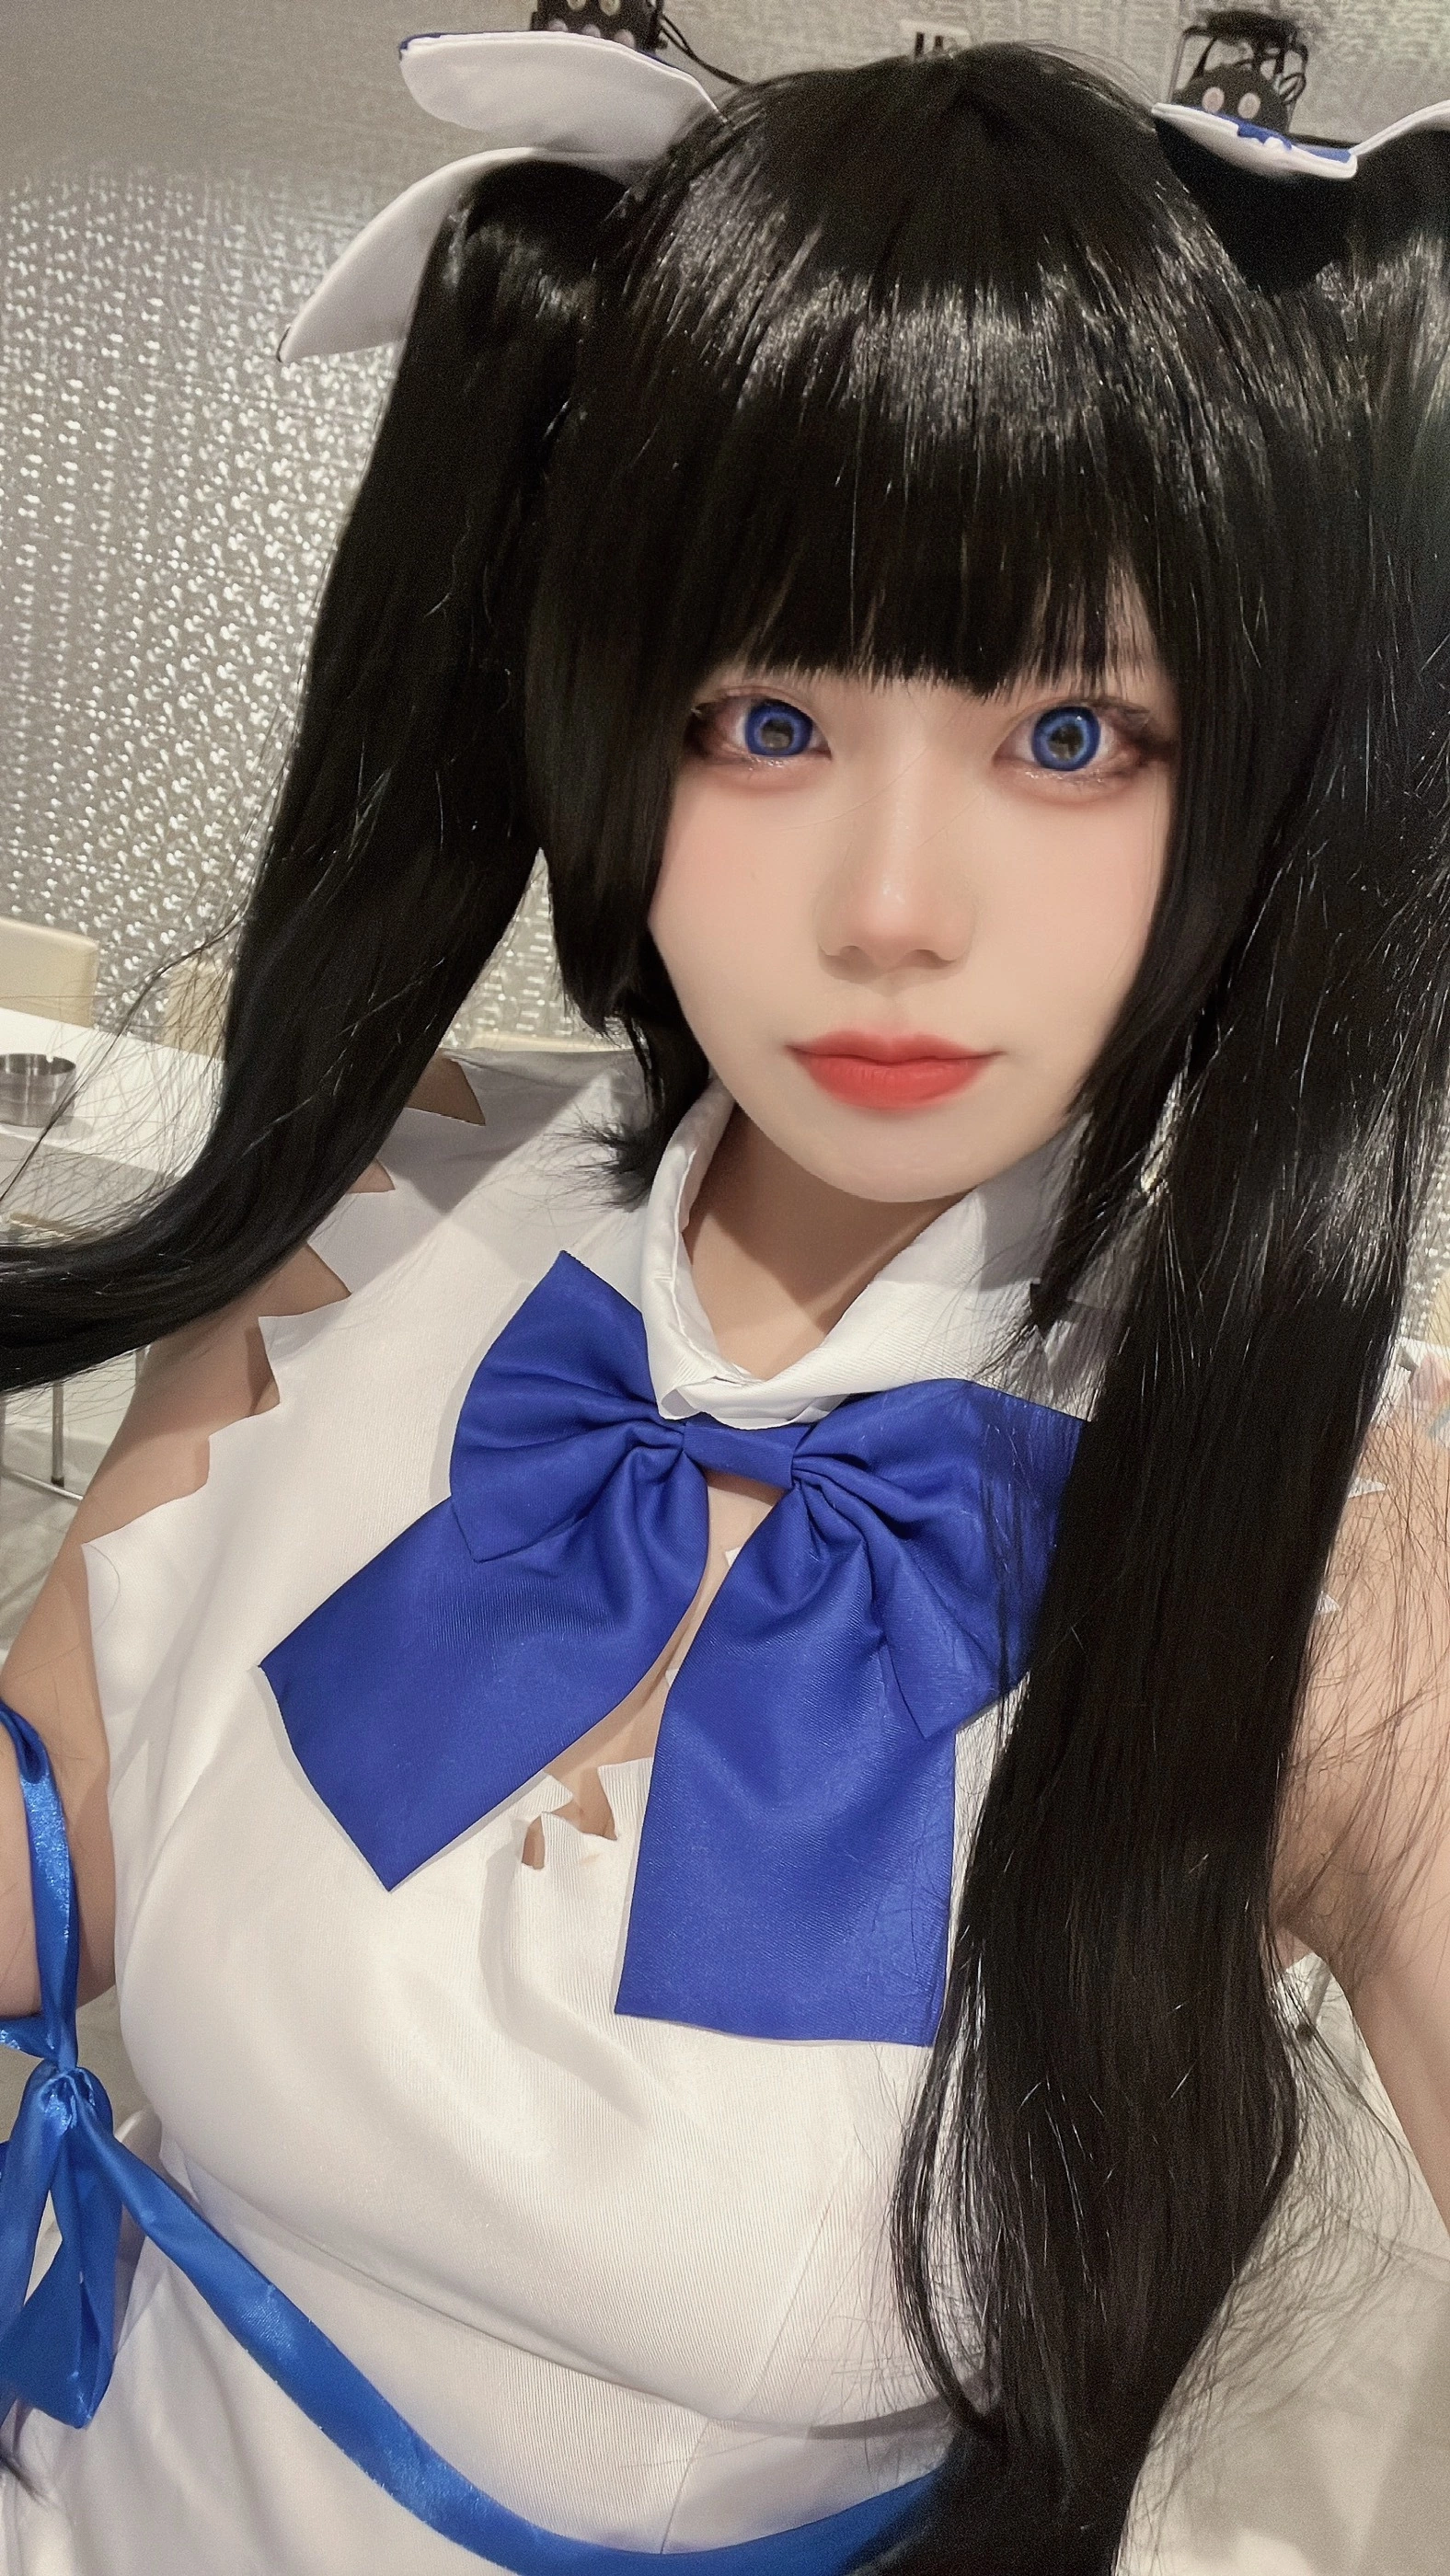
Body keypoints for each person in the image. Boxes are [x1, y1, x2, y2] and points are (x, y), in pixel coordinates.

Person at [0, 29, 1447, 2576]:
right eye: (769, 718)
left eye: (1072, 733)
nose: (890, 908)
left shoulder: (1334, 1550)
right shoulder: (393, 1212)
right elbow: (56, 1850)